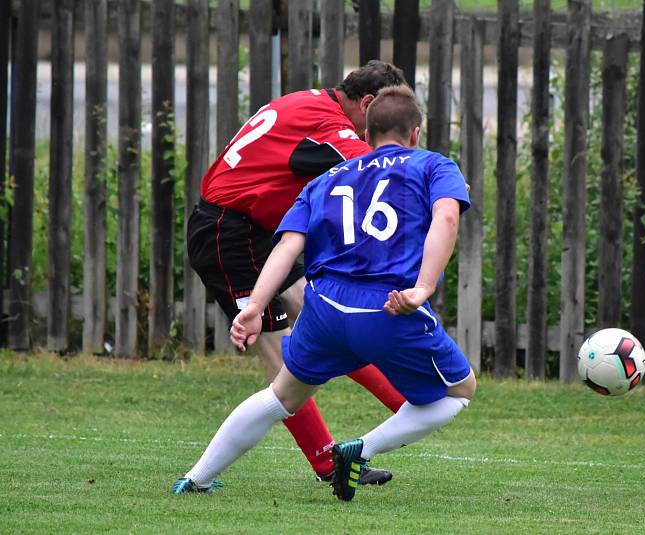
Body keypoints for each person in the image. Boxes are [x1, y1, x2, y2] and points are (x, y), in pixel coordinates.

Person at [186, 84, 476, 501]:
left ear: (366, 130)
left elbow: (287, 246)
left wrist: (254, 307)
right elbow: (446, 219)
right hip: (386, 307)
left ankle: (196, 477)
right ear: (415, 133)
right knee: (460, 391)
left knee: (279, 396)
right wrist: (422, 288)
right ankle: (359, 449)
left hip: (325, 307)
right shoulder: (432, 165)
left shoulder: (326, 179)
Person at [174, 61, 408, 492]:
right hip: (228, 233)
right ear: (369, 104)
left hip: (254, 230)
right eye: (386, 117)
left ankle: (404, 403)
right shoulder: (331, 125)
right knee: (282, 359)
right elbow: (384, 167)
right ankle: (328, 462)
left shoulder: (310, 103)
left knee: (327, 315)